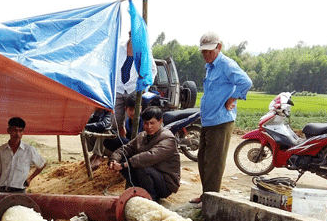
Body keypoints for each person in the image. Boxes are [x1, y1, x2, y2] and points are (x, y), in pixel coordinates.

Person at [190, 32, 252, 204]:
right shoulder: (210, 66)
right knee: (203, 160)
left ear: (219, 47)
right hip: (208, 120)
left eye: (209, 51)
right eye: (203, 52)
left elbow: (246, 82)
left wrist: (232, 98)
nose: (206, 55)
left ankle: (211, 201)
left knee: (214, 164)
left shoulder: (226, 65)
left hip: (221, 120)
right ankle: (206, 195)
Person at [108, 106, 180, 202]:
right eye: (146, 123)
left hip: (165, 183)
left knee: (140, 165)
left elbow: (151, 156)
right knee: (124, 158)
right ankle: (139, 190)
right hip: (150, 175)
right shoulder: (142, 136)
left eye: (152, 123)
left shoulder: (168, 138)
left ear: (160, 122)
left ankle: (151, 198)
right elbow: (125, 149)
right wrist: (114, 160)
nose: (149, 127)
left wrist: (124, 165)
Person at [113, 31, 156, 136]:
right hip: (117, 89)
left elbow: (152, 71)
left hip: (133, 91)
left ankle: (130, 145)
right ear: (130, 35)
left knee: (132, 122)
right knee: (114, 121)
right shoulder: (118, 47)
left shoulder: (145, 51)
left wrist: (144, 88)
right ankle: (120, 142)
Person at [0, 117, 47, 192]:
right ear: (8, 130)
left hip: (19, 192)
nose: (18, 134)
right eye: (15, 130)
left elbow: (42, 164)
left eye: (20, 131)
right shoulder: (1, 150)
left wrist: (30, 179)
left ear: (23, 131)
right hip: (2, 190)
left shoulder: (29, 150)